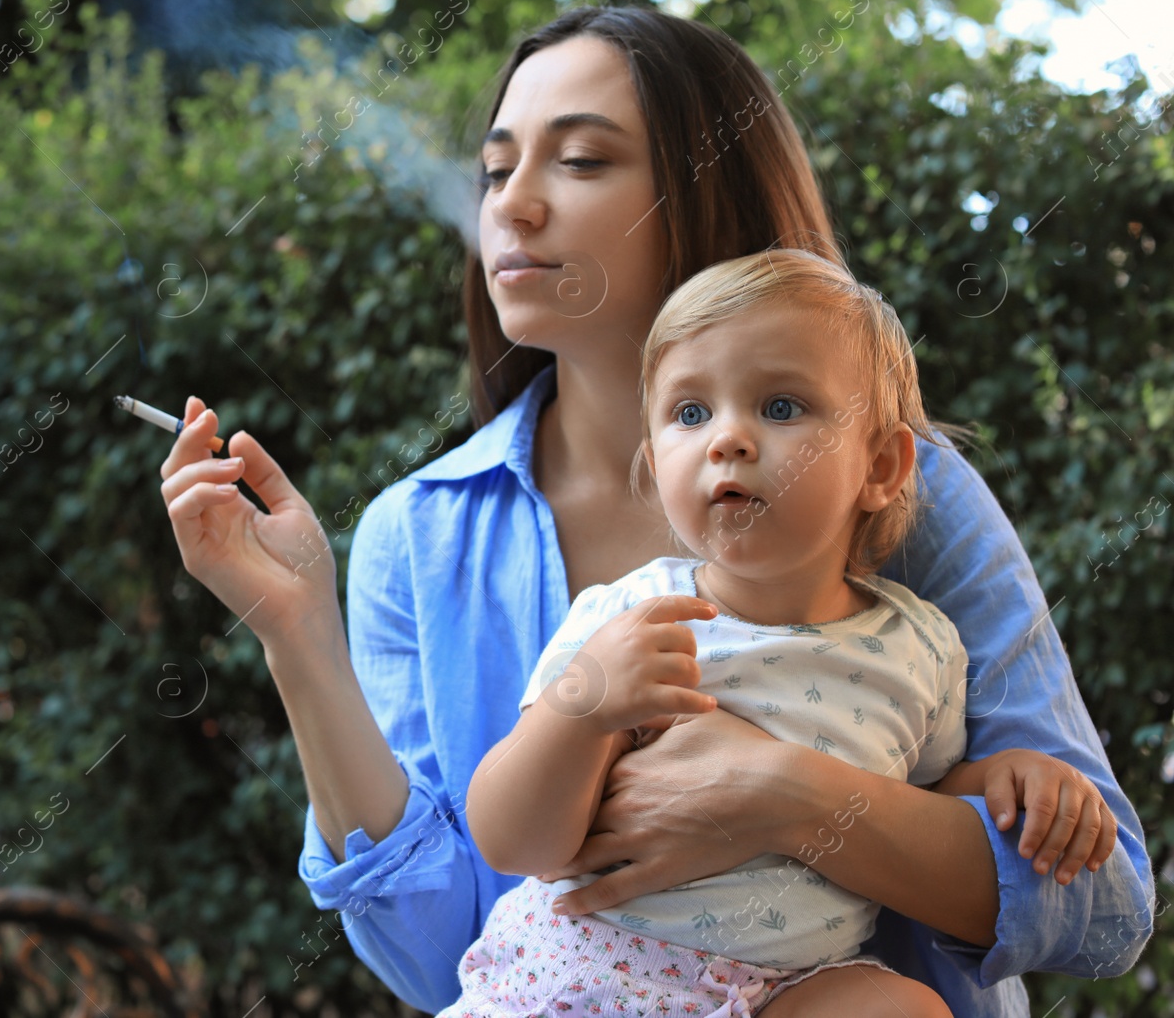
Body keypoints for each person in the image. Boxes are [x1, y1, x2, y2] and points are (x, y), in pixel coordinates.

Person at [156, 5, 1153, 1016]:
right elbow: (441, 952)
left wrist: (785, 794)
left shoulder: (892, 485)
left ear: (702, 190)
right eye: (497, 169)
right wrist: (295, 632)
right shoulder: (418, 533)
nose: (513, 206)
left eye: (581, 161)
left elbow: (1103, 902)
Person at [445, 249, 1117, 1018]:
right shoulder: (631, 618)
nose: (726, 438)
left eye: (781, 406)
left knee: (910, 1010)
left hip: (775, 990)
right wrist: (580, 706)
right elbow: (511, 842)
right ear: (655, 458)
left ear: (883, 464)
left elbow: (924, 792)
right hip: (579, 972)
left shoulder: (920, 646)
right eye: (690, 413)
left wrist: (1013, 778)